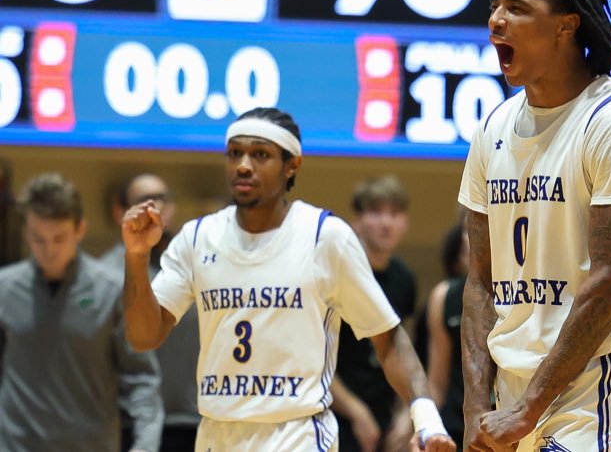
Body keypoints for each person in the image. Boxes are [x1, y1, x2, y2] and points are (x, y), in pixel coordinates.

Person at [119, 108, 455, 451]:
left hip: (297, 435)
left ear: (291, 165)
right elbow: (144, 336)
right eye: (235, 153)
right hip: (217, 436)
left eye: (260, 154)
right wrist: (136, 256)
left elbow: (388, 338)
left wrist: (426, 417)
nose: (244, 165)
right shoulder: (197, 238)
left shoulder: (325, 237)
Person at [458, 0, 611, 449]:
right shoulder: (492, 129)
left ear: (566, 26)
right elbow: (480, 281)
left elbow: (610, 282)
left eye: (517, 7)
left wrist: (529, 410)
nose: (496, 20)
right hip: (509, 389)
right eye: (494, 6)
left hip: (593, 387)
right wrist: (474, 409)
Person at [0, 173, 163, 452]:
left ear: (80, 230)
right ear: (26, 231)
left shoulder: (112, 291)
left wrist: (144, 446)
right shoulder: (4, 289)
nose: (48, 250)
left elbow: (142, 380)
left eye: (59, 238)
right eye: (38, 239)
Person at [99, 173, 202, 451]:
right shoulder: (104, 277)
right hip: (130, 424)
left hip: (192, 421)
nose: (156, 206)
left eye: (162, 198)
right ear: (120, 211)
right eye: (145, 200)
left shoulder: (192, 267)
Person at [335, 174, 421, 452]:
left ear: (405, 223)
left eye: (395, 214)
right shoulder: (338, 274)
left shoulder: (404, 279)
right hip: (338, 414)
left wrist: (405, 413)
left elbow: (402, 349)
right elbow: (312, 358)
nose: (386, 223)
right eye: (376, 212)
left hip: (384, 416)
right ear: (356, 220)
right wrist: (356, 413)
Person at [422, 223, 470, 444]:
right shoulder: (444, 297)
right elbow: (437, 382)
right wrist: (427, 428)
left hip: (510, 426)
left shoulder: (521, 294)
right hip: (456, 427)